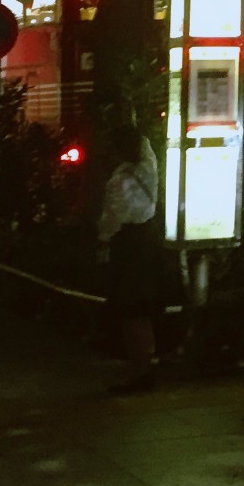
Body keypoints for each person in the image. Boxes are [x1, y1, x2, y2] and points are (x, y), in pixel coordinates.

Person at [95, 126, 162, 392]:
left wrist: (102, 245)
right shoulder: (148, 167)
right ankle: (146, 365)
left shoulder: (118, 181)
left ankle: (139, 371)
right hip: (149, 241)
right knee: (144, 310)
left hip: (128, 246)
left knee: (130, 311)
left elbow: (111, 221)